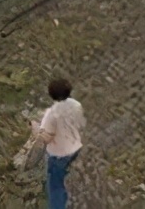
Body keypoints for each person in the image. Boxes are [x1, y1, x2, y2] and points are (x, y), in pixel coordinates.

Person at [34, 77, 84, 209]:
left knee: (55, 187)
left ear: (51, 94)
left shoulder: (51, 114)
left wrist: (36, 129)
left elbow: (46, 138)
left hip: (59, 154)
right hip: (75, 147)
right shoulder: (76, 105)